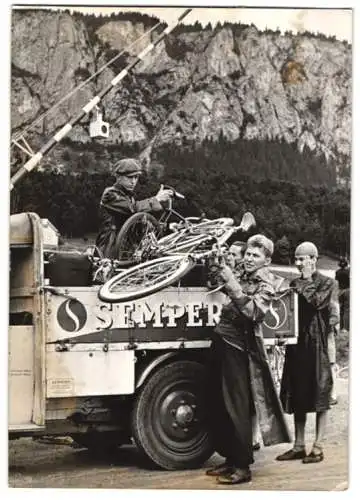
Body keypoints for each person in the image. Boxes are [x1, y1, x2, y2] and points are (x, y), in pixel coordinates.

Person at [205, 234, 291, 485]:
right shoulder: (241, 270)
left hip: (239, 347)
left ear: (267, 259)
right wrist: (218, 265)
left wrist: (231, 281)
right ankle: (230, 458)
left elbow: (254, 312)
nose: (250, 259)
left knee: (236, 406)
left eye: (256, 256)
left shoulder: (269, 281)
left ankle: (243, 466)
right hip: (222, 338)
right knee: (217, 401)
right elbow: (214, 282)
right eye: (249, 254)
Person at [276, 241, 340, 464]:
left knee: (321, 395)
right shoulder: (294, 283)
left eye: (303, 258)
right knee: (298, 393)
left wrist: (306, 280)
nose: (298, 263)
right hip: (297, 344)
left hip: (318, 344)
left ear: (314, 259)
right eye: (297, 258)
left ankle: (318, 447)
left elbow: (317, 303)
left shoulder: (328, 283)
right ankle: (299, 445)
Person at [95, 158, 173, 258]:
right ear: (118, 177)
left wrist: (167, 227)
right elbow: (132, 209)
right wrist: (156, 199)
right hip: (109, 250)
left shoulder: (128, 197)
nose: (133, 181)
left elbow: (140, 224)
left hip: (126, 249)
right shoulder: (110, 194)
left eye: (136, 177)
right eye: (130, 177)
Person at [335, 257, 350, 334]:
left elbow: (336, 281)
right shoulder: (348, 272)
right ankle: (345, 328)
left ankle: (341, 327)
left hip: (339, 290)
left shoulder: (337, 272)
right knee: (347, 309)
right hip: (347, 290)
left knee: (341, 310)